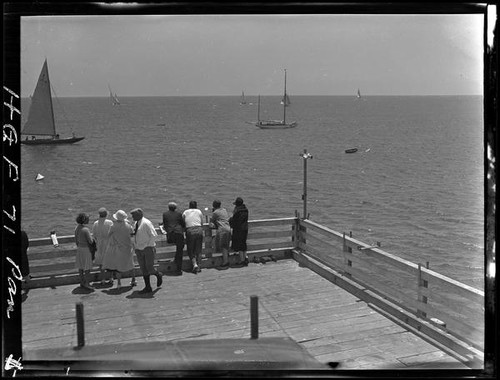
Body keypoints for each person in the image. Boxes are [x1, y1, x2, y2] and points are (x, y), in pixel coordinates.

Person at [131, 208, 162, 293]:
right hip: (138, 249)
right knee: (143, 269)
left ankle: (158, 275)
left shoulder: (146, 223)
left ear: (139, 215)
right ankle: (148, 287)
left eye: (133, 215)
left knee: (150, 268)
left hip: (147, 248)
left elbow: (154, 235)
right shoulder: (136, 223)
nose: (132, 217)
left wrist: (147, 246)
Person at [103, 210, 136, 289]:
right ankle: (133, 280)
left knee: (118, 267)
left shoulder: (113, 226)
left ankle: (119, 283)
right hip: (128, 247)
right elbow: (132, 235)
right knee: (131, 264)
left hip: (119, 248)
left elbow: (108, 235)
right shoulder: (129, 226)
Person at [162, 201, 185, 275]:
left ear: (168, 207)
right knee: (180, 250)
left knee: (178, 249)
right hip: (179, 232)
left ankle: (175, 260)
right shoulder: (179, 214)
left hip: (171, 234)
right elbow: (182, 224)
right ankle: (179, 268)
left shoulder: (165, 214)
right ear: (175, 208)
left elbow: (165, 224)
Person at [92, 207, 113, 285]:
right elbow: (112, 233)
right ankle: (111, 278)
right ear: (106, 214)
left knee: (101, 263)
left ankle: (103, 279)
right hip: (109, 243)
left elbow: (94, 235)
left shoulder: (96, 223)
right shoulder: (110, 222)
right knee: (110, 262)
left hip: (99, 244)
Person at [182, 200, 204, 274]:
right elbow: (202, 223)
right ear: (196, 206)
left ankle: (194, 264)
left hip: (190, 230)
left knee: (190, 249)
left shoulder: (185, 212)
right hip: (199, 229)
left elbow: (183, 222)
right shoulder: (199, 211)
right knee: (199, 249)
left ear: (189, 206)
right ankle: (199, 265)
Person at [74, 212, 95, 290]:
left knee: (81, 267)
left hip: (79, 249)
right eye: (87, 218)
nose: (89, 220)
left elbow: (76, 240)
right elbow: (90, 241)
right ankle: (87, 283)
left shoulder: (77, 228)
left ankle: (82, 282)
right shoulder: (85, 229)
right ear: (84, 220)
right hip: (86, 250)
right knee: (87, 268)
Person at [209, 200, 231, 268]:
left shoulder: (215, 212)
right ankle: (226, 258)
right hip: (228, 228)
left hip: (222, 229)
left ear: (213, 205)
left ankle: (225, 262)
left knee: (223, 246)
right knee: (226, 245)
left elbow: (211, 223)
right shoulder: (224, 210)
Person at [229, 197, 249, 266]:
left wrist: (231, 219)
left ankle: (242, 260)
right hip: (245, 229)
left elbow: (234, 221)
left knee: (240, 245)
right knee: (244, 243)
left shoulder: (238, 212)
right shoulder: (246, 210)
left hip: (239, 230)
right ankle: (245, 257)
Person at [21, 230, 31, 295]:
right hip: (23, 257)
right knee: (25, 273)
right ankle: (27, 286)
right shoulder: (23, 233)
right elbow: (27, 245)